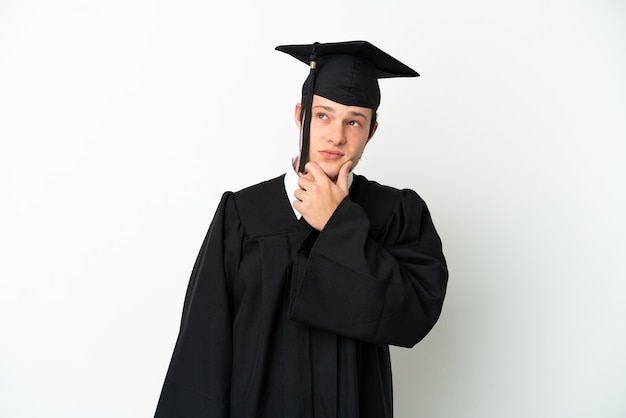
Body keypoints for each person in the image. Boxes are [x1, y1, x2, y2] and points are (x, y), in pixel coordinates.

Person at [154, 40, 448, 418]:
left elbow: (413, 317)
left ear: (371, 130)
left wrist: (338, 223)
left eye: (354, 121)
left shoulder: (394, 213)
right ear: (301, 115)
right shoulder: (243, 214)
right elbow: (203, 348)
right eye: (323, 115)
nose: (336, 136)